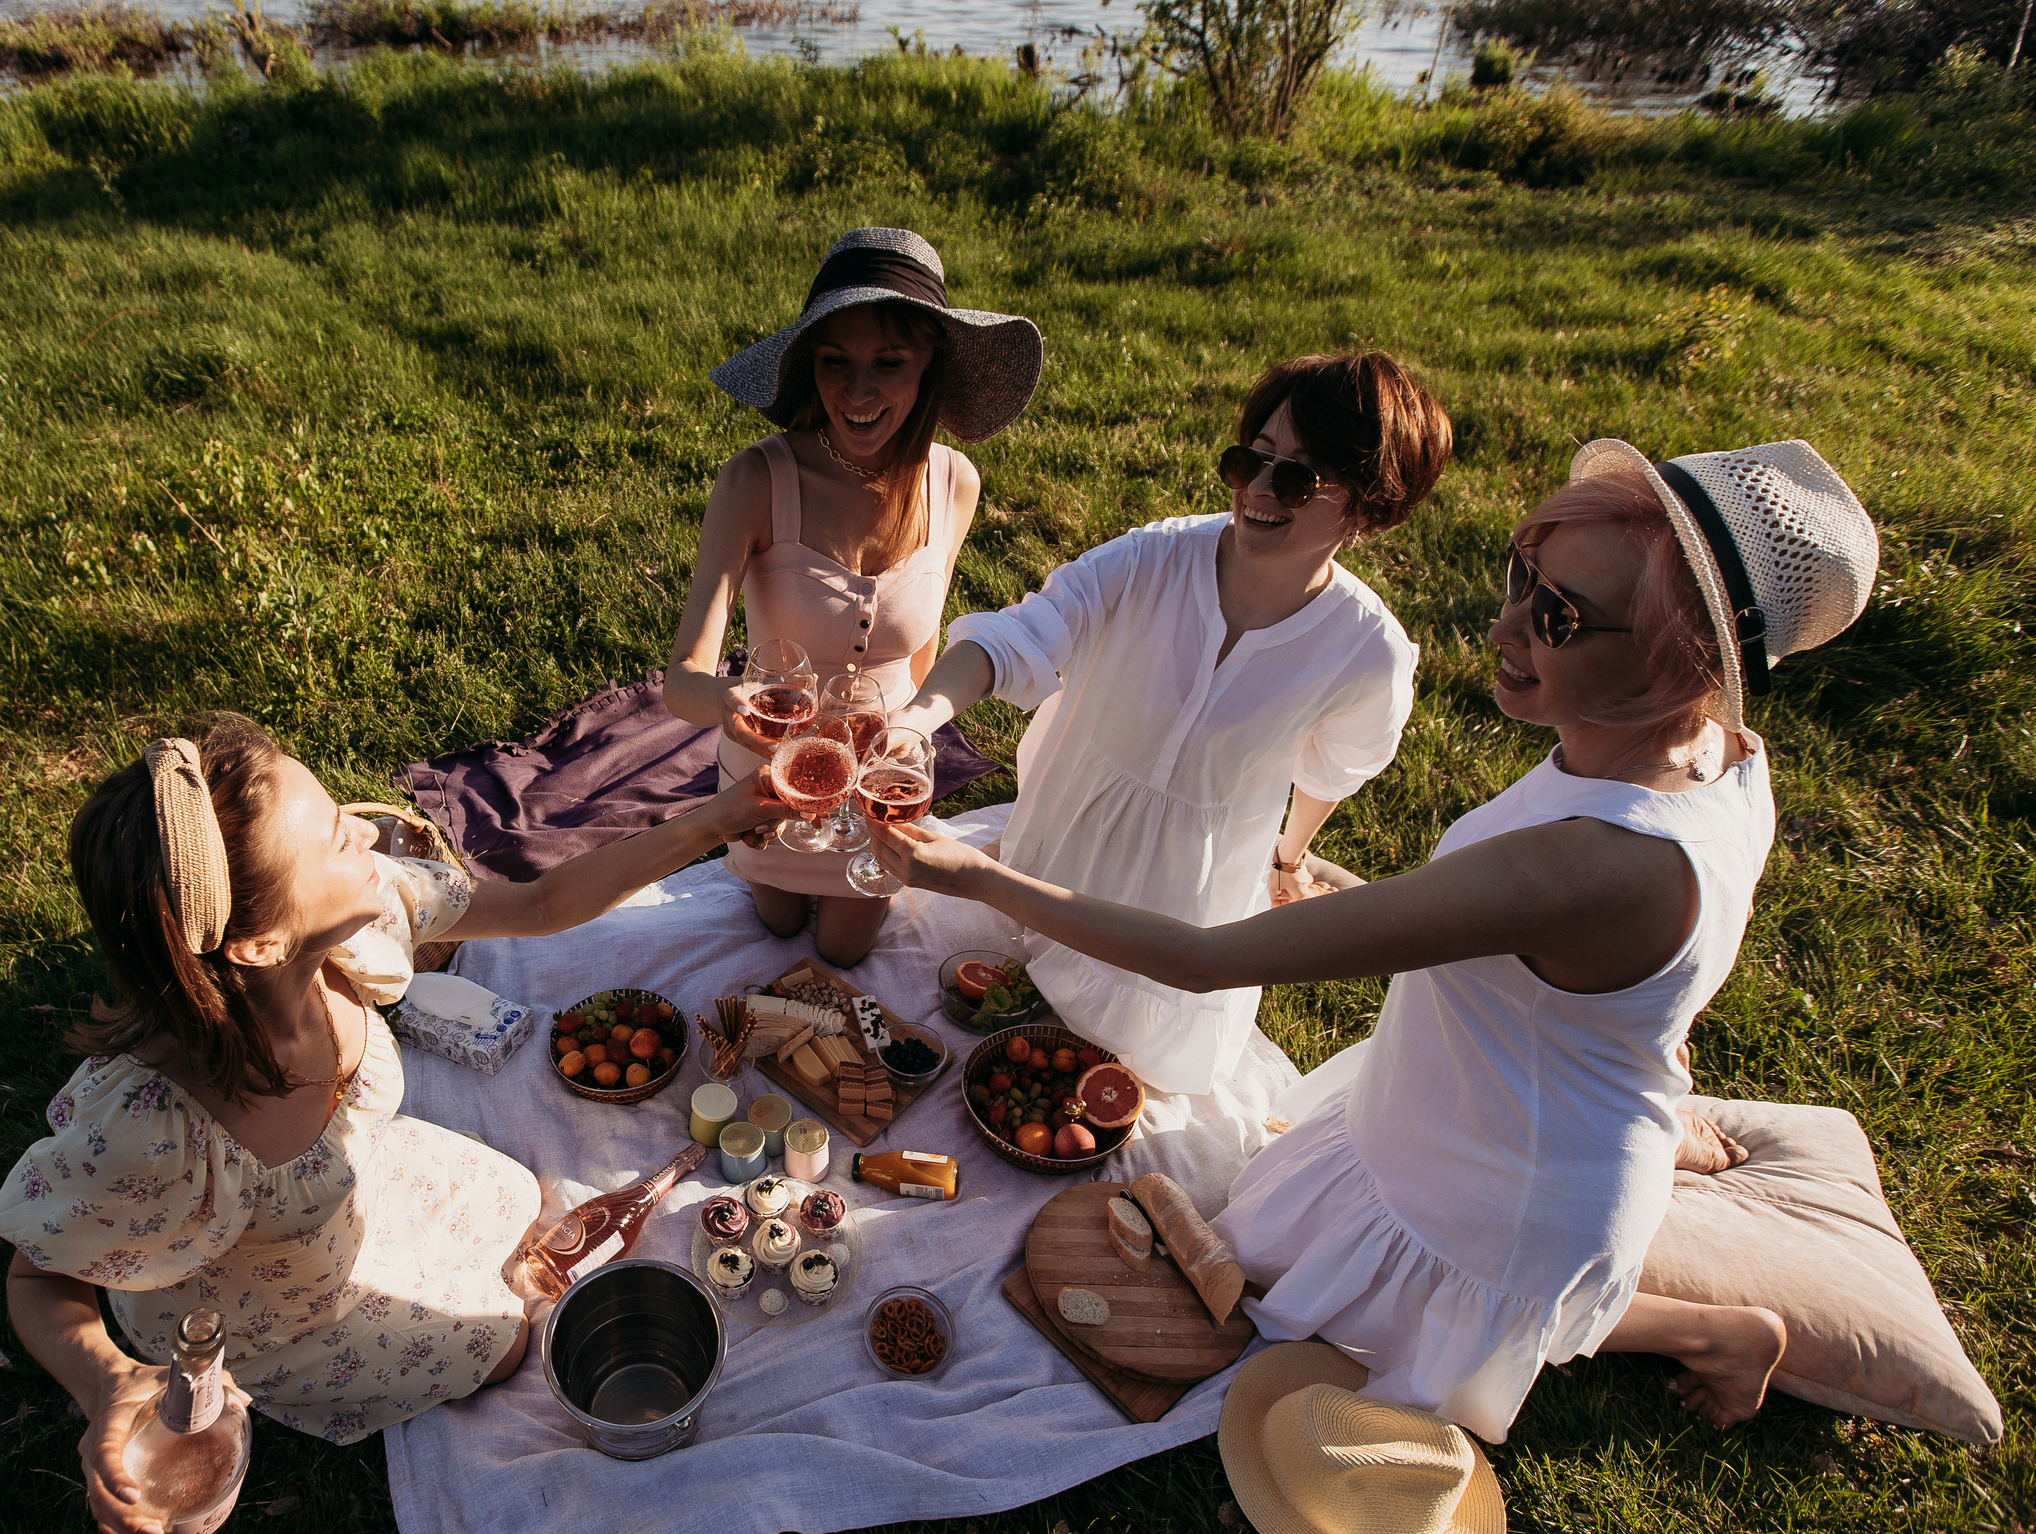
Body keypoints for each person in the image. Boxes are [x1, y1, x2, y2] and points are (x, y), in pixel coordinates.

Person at [867, 437, 1880, 1440]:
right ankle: (1660, 1164)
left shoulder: (1589, 869)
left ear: (1678, 659)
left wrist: (976, 875)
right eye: (1524, 577)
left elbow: (1204, 959)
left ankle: (1715, 1334)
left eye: (1558, 615)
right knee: (1255, 1239)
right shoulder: (1716, 752)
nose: (1504, 623)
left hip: (1501, 1192)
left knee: (1338, 1343)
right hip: (1482, 1096)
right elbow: (1561, 946)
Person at [0, 717, 789, 1534]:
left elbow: (542, 902)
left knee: (522, 1201)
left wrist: (723, 817)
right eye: (337, 840)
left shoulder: (352, 927)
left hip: (345, 1194)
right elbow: (37, 1280)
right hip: (270, 1311)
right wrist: (109, 1381)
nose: (372, 832)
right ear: (260, 942)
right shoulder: (151, 1133)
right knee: (511, 1341)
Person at [888, 351, 1451, 1101]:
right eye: (1250, 458)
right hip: (1061, 839)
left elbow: (1333, 771)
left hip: (1185, 899)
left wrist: (1291, 857)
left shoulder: (1366, 651)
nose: (1256, 490)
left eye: (1295, 476)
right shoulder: (1154, 557)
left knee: (1119, 1070)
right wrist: (918, 719)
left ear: (1368, 508)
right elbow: (1020, 633)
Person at [663, 227, 1041, 966]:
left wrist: (914, 744)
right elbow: (684, 681)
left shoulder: (955, 483)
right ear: (809, 367)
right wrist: (727, 708)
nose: (857, 393)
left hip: (877, 782)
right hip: (773, 773)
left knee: (843, 952)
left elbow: (925, 649)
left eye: (888, 364)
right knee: (773, 923)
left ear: (930, 361)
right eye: (835, 363)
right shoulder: (754, 481)